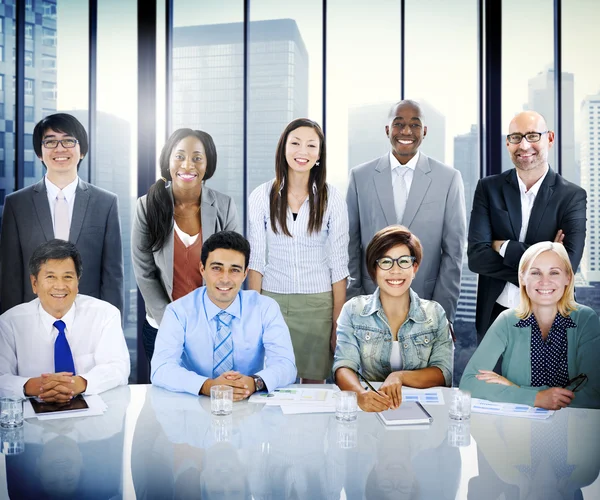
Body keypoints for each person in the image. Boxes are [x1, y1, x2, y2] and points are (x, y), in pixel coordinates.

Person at [468, 110, 586, 344]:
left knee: (547, 383)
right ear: (507, 143)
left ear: (549, 139)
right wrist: (544, 262)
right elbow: (477, 258)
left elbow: (567, 265)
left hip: (550, 320)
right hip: (494, 317)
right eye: (515, 137)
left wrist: (505, 247)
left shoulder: (571, 196)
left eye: (532, 136)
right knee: (493, 381)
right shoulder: (488, 188)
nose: (524, 145)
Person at [346, 100, 466, 327]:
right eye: (399, 124)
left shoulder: (448, 179)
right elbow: (350, 246)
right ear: (387, 130)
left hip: (427, 305)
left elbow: (454, 252)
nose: (406, 131)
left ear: (425, 131)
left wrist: (443, 314)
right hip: (370, 307)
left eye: (415, 124)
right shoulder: (360, 177)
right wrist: (356, 302)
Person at [247, 118, 349, 383]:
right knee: (275, 382)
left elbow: (339, 265)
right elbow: (256, 261)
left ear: (319, 155)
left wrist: (337, 322)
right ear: (284, 148)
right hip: (272, 301)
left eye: (311, 145)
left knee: (315, 386)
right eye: (295, 143)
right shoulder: (261, 196)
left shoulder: (332, 198)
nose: (302, 151)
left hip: (318, 304)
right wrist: (253, 313)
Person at [132, 128, 239, 363]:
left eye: (197, 158)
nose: (188, 165)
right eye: (179, 156)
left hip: (212, 326)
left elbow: (231, 269)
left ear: (208, 165)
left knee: (210, 396)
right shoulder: (146, 206)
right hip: (162, 327)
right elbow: (144, 272)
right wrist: (171, 321)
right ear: (168, 161)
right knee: (166, 397)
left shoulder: (225, 206)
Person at [0, 113, 123, 315]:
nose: (59, 149)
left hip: (89, 317)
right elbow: (10, 276)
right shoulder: (16, 204)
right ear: (40, 153)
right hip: (33, 318)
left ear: (81, 151)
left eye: (68, 141)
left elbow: (113, 275)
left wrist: (112, 327)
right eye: (50, 142)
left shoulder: (106, 203)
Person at [151, 231, 296, 398]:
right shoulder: (178, 312)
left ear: (244, 274)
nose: (225, 278)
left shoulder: (265, 308)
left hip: (249, 405)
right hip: (194, 406)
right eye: (217, 268)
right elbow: (161, 368)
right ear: (202, 269)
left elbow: (286, 365)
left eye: (234, 270)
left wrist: (254, 383)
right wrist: (208, 386)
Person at [460, 241, 600, 409]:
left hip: (573, 428)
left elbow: (594, 393)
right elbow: (469, 383)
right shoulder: (507, 320)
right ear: (523, 278)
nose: (544, 281)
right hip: (518, 427)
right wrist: (537, 398)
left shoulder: (585, 319)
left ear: (568, 278)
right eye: (535, 273)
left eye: (554, 273)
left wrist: (518, 390)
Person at [333, 226, 453, 412]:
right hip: (371, 408)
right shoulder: (353, 310)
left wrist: (400, 377)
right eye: (386, 262)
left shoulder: (435, 313)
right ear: (374, 269)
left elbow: (443, 372)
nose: (395, 270)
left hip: (421, 411)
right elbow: (343, 366)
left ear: (414, 268)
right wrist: (360, 395)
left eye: (404, 261)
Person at [0, 239, 130, 400]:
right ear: (34, 283)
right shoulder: (9, 323)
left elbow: (118, 368)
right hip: (30, 416)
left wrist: (79, 383)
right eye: (51, 277)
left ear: (78, 281)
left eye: (68, 277)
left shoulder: (105, 314)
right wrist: (37, 386)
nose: (60, 286)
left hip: (93, 413)